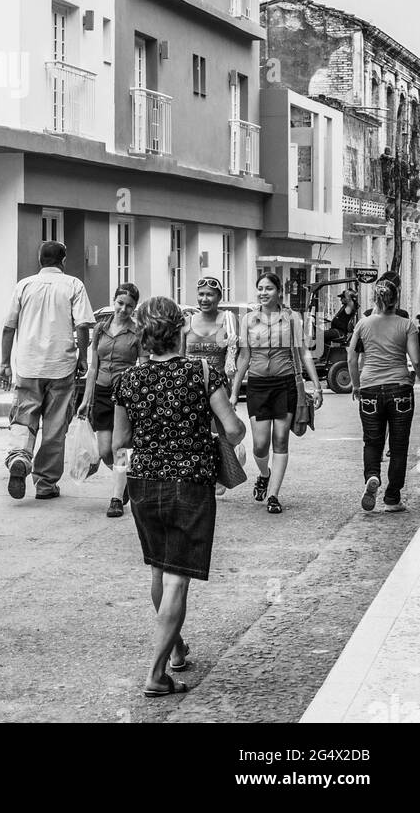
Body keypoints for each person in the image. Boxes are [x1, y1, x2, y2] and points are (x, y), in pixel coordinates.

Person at [112, 296, 245, 697]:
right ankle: (156, 674)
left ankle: (176, 648)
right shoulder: (201, 372)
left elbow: (118, 443)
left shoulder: (127, 382)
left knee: (158, 568)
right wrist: (212, 441)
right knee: (177, 580)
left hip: (144, 483)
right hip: (190, 483)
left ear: (143, 336)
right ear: (180, 331)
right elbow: (234, 428)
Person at [0, 240, 94, 500]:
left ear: (40, 260)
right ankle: (45, 484)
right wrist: (82, 356)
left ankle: (20, 456)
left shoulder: (24, 285)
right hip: (61, 366)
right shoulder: (74, 285)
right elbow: (83, 326)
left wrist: (5, 363)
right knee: (55, 427)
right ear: (63, 261)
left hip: (28, 365)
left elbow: (9, 327)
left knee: (23, 417)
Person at [229, 273, 323, 515]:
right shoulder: (249, 319)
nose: (263, 292)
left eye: (268, 288)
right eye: (260, 288)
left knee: (280, 440)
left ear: (278, 291)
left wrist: (317, 385)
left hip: (285, 385)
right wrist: (233, 392)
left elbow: (303, 353)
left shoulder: (292, 318)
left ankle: (273, 494)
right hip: (258, 385)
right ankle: (264, 474)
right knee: (260, 445)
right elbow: (244, 357)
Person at [348, 277, 420, 513]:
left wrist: (357, 386)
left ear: (375, 299)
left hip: (369, 388)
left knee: (372, 441)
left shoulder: (363, 324)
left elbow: (351, 358)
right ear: (396, 299)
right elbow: (416, 360)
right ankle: (392, 498)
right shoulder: (406, 324)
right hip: (400, 389)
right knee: (398, 446)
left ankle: (372, 476)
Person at [77, 283, 140, 517]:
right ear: (114, 301)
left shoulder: (137, 333)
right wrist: (86, 399)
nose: (123, 309)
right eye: (120, 303)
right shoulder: (101, 329)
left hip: (125, 396)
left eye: (129, 306)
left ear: (134, 308)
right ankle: (126, 480)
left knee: (120, 447)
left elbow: (141, 367)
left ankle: (116, 497)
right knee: (105, 451)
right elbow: (93, 367)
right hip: (102, 393)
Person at [181, 275, 241, 497]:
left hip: (218, 387)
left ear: (219, 297)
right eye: (201, 294)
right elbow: (178, 358)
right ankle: (197, 474)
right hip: (190, 388)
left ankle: (221, 468)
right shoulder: (186, 323)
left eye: (209, 294)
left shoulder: (228, 320)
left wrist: (234, 393)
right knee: (193, 433)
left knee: (224, 433)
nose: (204, 299)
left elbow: (236, 357)